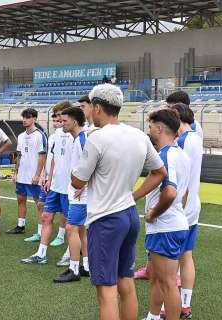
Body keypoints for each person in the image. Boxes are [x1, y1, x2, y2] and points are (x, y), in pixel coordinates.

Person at [71, 83, 167, 320]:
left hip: (105, 219)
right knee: (126, 281)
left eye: (88, 108)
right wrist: (133, 195)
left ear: (97, 107)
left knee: (106, 290)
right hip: (128, 215)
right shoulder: (137, 135)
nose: (87, 113)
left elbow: (77, 181)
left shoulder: (97, 138)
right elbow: (159, 172)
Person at [139, 108, 191, 320]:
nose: (149, 129)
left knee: (169, 283)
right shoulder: (180, 154)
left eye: (151, 126)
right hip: (173, 224)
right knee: (157, 278)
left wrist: (153, 213)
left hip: (165, 227)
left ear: (159, 128)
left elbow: (170, 192)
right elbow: (183, 192)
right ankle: (152, 316)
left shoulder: (165, 155)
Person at [20, 102, 72, 264]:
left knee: (73, 224)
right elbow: (54, 158)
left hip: (69, 187)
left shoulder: (76, 136)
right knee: (46, 215)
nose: (58, 119)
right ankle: (41, 254)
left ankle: (71, 254)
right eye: (56, 116)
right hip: (54, 184)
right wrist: (48, 177)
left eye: (61, 115)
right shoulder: (54, 135)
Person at [170, 102, 203, 319]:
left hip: (181, 208)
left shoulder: (181, 142)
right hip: (193, 206)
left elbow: (180, 179)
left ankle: (166, 308)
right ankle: (185, 305)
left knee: (169, 262)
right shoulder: (196, 137)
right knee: (187, 257)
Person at [54, 106, 90, 283]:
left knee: (71, 228)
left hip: (80, 195)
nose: (62, 124)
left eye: (65, 121)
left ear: (75, 121)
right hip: (77, 191)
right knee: (82, 230)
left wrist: (86, 184)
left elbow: (93, 163)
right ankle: (87, 266)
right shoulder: (78, 139)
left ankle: (74, 269)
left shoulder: (83, 139)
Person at [23, 107, 63, 243]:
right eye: (54, 120)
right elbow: (50, 158)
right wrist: (46, 175)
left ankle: (61, 236)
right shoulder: (52, 136)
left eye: (59, 120)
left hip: (61, 179)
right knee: (41, 204)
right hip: (48, 178)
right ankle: (40, 233)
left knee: (63, 209)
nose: (56, 122)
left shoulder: (68, 136)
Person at [6, 108, 46, 235]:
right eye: (23, 117)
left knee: (39, 204)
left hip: (34, 176)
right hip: (22, 175)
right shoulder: (21, 136)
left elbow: (42, 156)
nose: (24, 120)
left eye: (27, 117)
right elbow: (19, 155)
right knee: (20, 200)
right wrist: (15, 173)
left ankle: (41, 232)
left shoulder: (40, 135)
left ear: (34, 119)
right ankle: (20, 225)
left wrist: (37, 175)